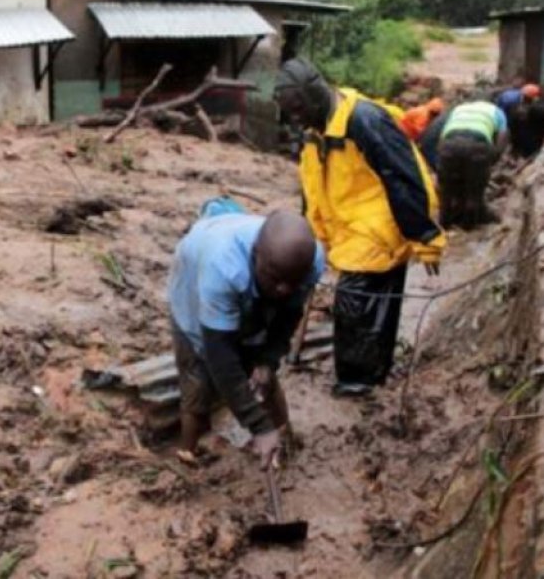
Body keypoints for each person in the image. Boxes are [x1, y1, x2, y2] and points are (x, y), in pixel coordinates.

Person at [274, 58, 445, 397]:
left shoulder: (365, 120)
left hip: (380, 225)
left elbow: (406, 176)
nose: (295, 119)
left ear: (315, 95)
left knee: (353, 300)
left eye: (297, 110)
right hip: (349, 228)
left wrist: (425, 236)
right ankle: (373, 373)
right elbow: (312, 186)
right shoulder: (314, 128)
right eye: (289, 112)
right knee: (377, 305)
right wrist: (314, 235)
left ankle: (357, 383)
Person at [167, 206, 324, 469]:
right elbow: (221, 359)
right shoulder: (222, 268)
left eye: (291, 281)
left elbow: (288, 317)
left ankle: (283, 442)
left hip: (249, 281)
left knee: (263, 378)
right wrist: (259, 427)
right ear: (255, 256)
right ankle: (188, 451)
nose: (284, 289)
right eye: (275, 279)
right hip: (194, 281)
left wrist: (267, 360)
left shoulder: (309, 262)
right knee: (199, 377)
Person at [437, 100, 509, 229]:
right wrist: (490, 161)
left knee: (446, 190)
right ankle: (468, 226)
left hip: (448, 145)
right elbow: (502, 139)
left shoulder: (459, 108)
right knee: (475, 192)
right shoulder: (498, 112)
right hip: (477, 145)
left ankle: (445, 222)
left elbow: (443, 136)